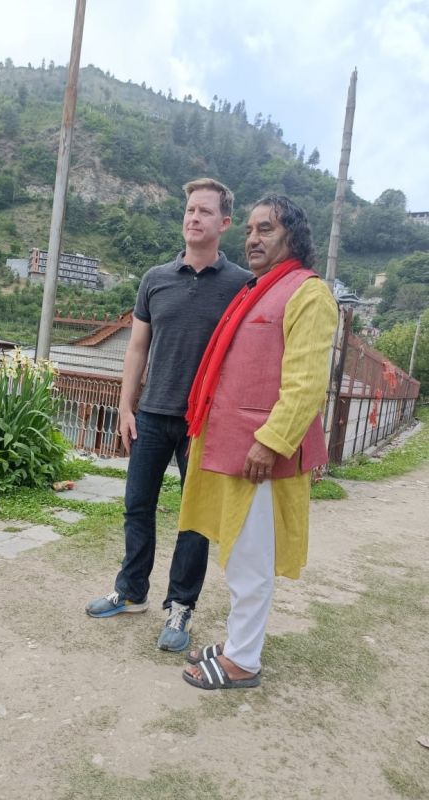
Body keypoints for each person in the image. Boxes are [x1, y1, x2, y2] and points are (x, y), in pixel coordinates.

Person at [85, 178, 251, 652]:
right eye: (189, 210)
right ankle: (131, 591)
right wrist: (124, 405)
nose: (193, 218)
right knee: (137, 507)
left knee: (194, 519)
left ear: (224, 223)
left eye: (204, 211)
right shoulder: (155, 278)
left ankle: (181, 607)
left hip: (204, 423)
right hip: (152, 415)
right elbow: (137, 348)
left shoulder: (241, 285)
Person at [180, 194, 338, 689]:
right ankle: (236, 642)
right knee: (240, 551)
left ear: (293, 236)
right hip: (234, 446)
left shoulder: (309, 294)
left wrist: (270, 442)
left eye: (265, 229)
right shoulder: (260, 289)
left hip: (260, 455)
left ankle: (242, 662)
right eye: (249, 229)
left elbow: (307, 384)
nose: (252, 238)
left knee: (250, 561)